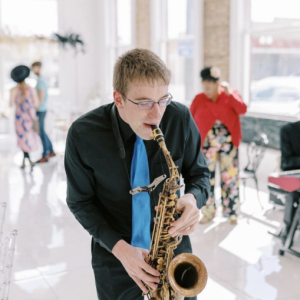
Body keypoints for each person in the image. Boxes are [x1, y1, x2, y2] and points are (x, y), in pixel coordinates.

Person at [64, 49, 210, 300]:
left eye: (163, 99)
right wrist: (120, 250)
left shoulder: (179, 118)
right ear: (118, 99)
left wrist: (194, 199)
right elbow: (80, 202)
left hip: (172, 251)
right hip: (116, 255)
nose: (157, 115)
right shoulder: (83, 134)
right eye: (144, 103)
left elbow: (200, 174)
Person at [190, 67, 247, 224]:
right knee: (206, 179)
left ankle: (232, 212)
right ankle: (208, 212)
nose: (206, 91)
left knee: (230, 178)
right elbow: (190, 120)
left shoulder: (230, 95)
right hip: (207, 145)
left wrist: (230, 94)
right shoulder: (199, 99)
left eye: (209, 87)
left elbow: (242, 110)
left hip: (228, 144)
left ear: (217, 84)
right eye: (204, 87)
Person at [10, 65, 40, 171]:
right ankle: (28, 159)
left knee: (22, 138)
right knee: (28, 138)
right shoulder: (31, 89)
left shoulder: (13, 90)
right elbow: (36, 104)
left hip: (19, 118)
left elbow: (11, 104)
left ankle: (25, 159)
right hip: (29, 117)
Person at [279, 121, 300, 242]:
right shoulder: (288, 130)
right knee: (291, 195)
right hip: (291, 176)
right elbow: (285, 162)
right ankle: (287, 229)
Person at [31, 61, 55, 163]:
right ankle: (51, 151)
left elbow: (40, 98)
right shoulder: (41, 80)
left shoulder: (41, 81)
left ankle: (45, 154)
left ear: (38, 67)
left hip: (40, 110)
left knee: (41, 131)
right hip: (43, 109)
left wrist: (34, 110)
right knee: (42, 131)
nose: (32, 70)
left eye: (33, 68)